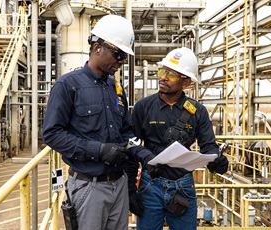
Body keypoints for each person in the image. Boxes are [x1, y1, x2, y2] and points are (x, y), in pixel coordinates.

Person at [42, 14, 152, 230]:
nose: (121, 61)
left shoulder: (115, 88)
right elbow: (52, 134)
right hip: (88, 186)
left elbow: (126, 131)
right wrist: (99, 150)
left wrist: (146, 156)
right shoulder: (68, 86)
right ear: (98, 47)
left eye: (125, 57)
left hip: (118, 185)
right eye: (118, 54)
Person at [128, 47, 229, 230]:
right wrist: (130, 189)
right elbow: (132, 146)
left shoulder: (197, 111)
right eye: (162, 71)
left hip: (183, 186)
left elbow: (209, 146)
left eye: (171, 74)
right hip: (150, 185)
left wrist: (217, 161)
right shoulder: (144, 107)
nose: (163, 77)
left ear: (186, 82)